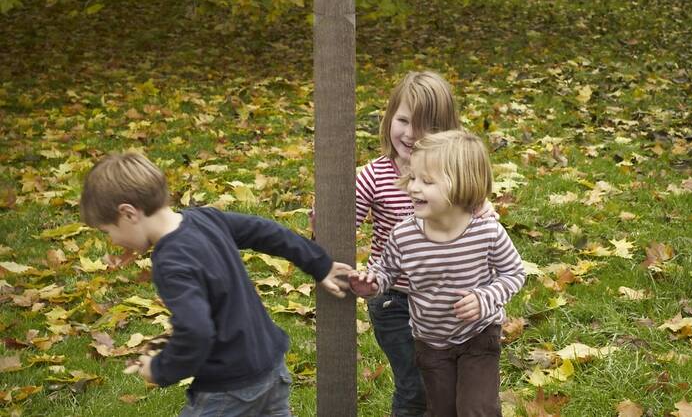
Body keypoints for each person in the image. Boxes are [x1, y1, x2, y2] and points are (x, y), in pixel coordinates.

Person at [80, 152, 351, 417]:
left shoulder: (171, 262)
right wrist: (320, 265)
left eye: (108, 231)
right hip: (271, 366)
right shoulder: (205, 219)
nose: (113, 241)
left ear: (128, 213)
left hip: (228, 388)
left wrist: (159, 369)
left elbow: (197, 331)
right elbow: (268, 232)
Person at [350, 130, 525, 417]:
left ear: (462, 186)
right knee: (442, 410)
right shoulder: (405, 235)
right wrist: (371, 283)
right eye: (413, 178)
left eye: (427, 181)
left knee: (475, 409)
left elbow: (514, 273)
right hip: (430, 342)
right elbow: (386, 272)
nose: (414, 188)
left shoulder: (487, 231)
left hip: (478, 334)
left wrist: (485, 299)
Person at [355, 71, 495, 417]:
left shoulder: (455, 176)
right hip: (395, 300)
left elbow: (482, 226)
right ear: (389, 118)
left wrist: (484, 213)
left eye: (426, 125)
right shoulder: (373, 176)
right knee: (415, 386)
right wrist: (323, 224)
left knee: (448, 385)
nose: (411, 133)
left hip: (449, 298)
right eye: (403, 120)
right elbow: (341, 226)